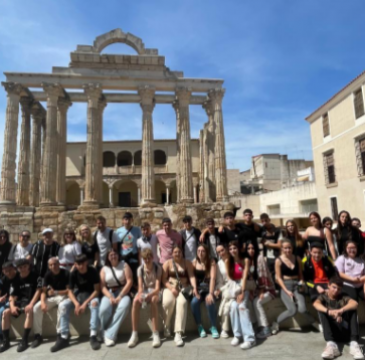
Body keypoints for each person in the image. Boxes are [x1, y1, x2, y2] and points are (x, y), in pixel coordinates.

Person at [271, 239, 319, 335]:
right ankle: (275, 323)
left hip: (297, 284)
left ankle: (315, 323)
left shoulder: (297, 258)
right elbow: (278, 278)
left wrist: (301, 282)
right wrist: (286, 291)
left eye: (289, 248)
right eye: (285, 248)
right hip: (285, 285)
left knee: (302, 309)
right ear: (282, 249)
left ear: (292, 248)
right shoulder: (278, 260)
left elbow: (300, 274)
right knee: (292, 310)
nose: (288, 250)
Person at [313, 277, 364, 360]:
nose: (336, 290)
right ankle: (331, 345)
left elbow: (354, 303)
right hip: (332, 333)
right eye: (334, 287)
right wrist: (329, 312)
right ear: (328, 285)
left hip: (346, 331)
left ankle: (354, 344)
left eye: (339, 288)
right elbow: (316, 304)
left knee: (352, 309)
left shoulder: (343, 296)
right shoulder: (323, 297)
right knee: (322, 311)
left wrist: (341, 311)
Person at [57, 254, 101, 351]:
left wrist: (85, 303)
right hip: (79, 295)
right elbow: (70, 292)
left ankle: (93, 335)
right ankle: (64, 336)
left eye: (82, 264)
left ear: (86, 263)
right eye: (78, 264)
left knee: (95, 304)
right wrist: (77, 304)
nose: (81, 266)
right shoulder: (73, 273)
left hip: (90, 296)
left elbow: (97, 290)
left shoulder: (93, 271)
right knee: (63, 305)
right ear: (75, 264)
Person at [0, 259, 41, 353]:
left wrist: (31, 304)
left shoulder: (35, 276)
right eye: (20, 267)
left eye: (24, 267)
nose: (22, 269)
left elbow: (39, 291)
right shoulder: (16, 279)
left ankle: (24, 340)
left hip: (31, 301)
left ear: (28, 266)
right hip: (20, 302)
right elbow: (12, 295)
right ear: (17, 269)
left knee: (29, 311)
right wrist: (12, 306)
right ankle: (6, 342)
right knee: (5, 312)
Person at [162, 246, 197, 347]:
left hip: (183, 288)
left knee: (182, 303)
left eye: (179, 252)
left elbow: (191, 276)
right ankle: (167, 325)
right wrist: (171, 288)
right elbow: (164, 279)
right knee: (167, 302)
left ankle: (178, 333)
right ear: (172, 253)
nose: (177, 254)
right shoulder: (167, 263)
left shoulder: (187, 263)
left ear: (182, 253)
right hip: (170, 287)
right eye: (175, 252)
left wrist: (194, 287)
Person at [32, 257, 70, 350]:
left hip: (63, 296)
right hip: (52, 297)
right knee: (36, 308)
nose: (54, 266)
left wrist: (56, 292)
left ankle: (60, 334)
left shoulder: (66, 273)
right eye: (51, 265)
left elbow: (69, 291)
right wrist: (43, 303)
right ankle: (38, 335)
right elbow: (44, 291)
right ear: (49, 266)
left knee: (61, 307)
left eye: (55, 264)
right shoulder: (47, 275)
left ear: (59, 264)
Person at [128, 248, 162, 348]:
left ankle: (155, 333)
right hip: (145, 291)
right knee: (135, 301)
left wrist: (149, 295)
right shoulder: (140, 269)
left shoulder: (157, 268)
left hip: (155, 292)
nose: (147, 261)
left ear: (152, 257)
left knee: (153, 301)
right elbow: (140, 287)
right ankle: (134, 333)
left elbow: (157, 288)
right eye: (145, 259)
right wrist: (141, 296)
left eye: (148, 258)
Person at [99, 249, 133, 347]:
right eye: (111, 255)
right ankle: (103, 331)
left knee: (124, 307)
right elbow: (102, 286)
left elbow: (129, 281)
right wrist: (110, 297)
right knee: (103, 309)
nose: (113, 256)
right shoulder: (104, 269)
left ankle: (109, 334)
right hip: (109, 292)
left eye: (115, 254)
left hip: (123, 292)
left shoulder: (124, 265)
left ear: (118, 255)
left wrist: (120, 296)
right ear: (107, 257)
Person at [226, 240, 256, 350]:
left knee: (242, 307)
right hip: (234, 288)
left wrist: (242, 293)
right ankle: (237, 335)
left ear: (238, 249)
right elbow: (230, 279)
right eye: (230, 249)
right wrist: (236, 294)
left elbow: (244, 277)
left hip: (244, 287)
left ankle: (250, 339)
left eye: (234, 248)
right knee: (233, 307)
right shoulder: (227, 262)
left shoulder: (245, 260)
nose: (232, 250)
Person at [244, 240, 276, 339]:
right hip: (255, 289)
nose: (251, 250)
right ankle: (257, 326)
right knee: (249, 301)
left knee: (257, 302)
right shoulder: (247, 261)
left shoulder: (260, 258)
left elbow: (263, 276)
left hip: (267, 289)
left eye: (253, 248)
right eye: (248, 249)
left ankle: (266, 328)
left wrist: (262, 291)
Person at [191, 244, 219, 339]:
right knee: (194, 302)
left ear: (206, 252)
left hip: (209, 289)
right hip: (199, 290)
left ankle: (213, 326)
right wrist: (194, 289)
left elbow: (212, 278)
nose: (200, 253)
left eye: (202, 251)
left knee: (209, 302)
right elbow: (193, 277)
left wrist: (211, 293)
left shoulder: (211, 262)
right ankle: (200, 326)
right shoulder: (194, 262)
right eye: (198, 251)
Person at [115, 212, 142, 280]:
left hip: (133, 256)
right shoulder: (118, 231)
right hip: (124, 257)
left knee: (135, 275)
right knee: (124, 276)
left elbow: (140, 244)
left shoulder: (137, 230)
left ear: (132, 220)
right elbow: (116, 245)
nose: (127, 221)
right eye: (125, 219)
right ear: (122, 220)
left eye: (129, 219)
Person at [214, 244, 230, 338]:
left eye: (222, 250)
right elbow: (220, 281)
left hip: (235, 285)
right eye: (219, 252)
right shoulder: (219, 264)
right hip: (225, 287)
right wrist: (220, 289)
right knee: (226, 297)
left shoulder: (233, 260)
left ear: (226, 249)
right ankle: (224, 328)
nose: (221, 253)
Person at [0, 262, 19, 342]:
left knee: (1, 311)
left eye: (9, 270)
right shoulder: (3, 279)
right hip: (6, 299)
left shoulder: (19, 277)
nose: (8, 273)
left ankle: (2, 336)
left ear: (14, 268)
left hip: (17, 299)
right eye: (5, 271)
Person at [260, 213, 282, 280]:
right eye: (262, 221)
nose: (264, 223)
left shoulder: (277, 230)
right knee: (269, 275)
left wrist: (267, 244)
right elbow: (261, 241)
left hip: (277, 256)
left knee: (278, 274)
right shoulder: (262, 231)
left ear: (269, 220)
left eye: (266, 220)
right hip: (267, 257)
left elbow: (279, 245)